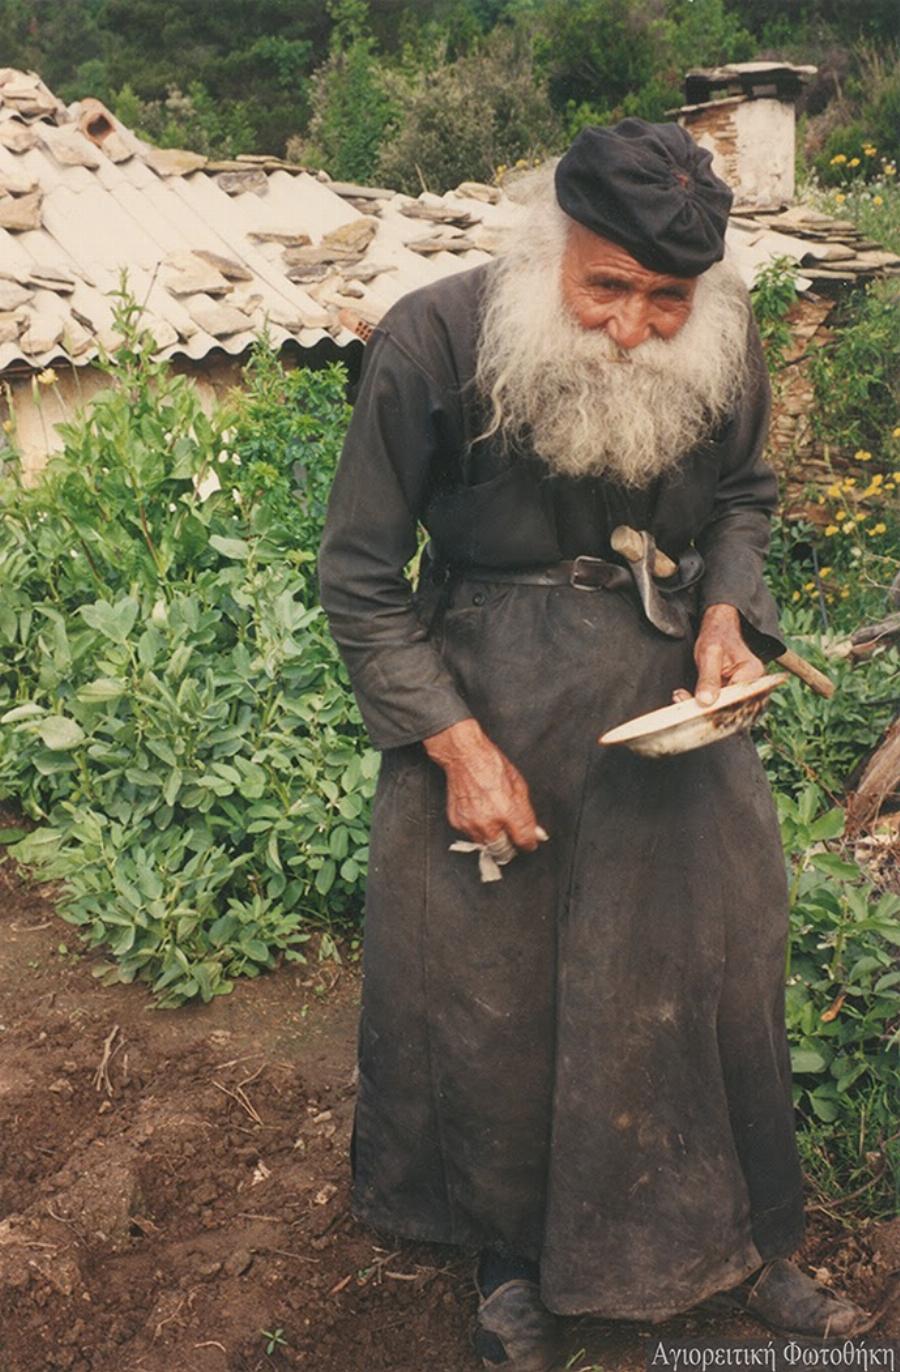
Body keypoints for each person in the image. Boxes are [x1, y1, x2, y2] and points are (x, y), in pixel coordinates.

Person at [318, 120, 870, 1370]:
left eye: (666, 299)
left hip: (669, 698)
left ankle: (746, 1239)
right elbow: (359, 580)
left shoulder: (723, 343)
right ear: (549, 249)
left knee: (717, 962)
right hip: (484, 690)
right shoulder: (435, 338)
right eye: (606, 287)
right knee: (494, 989)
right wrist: (455, 746)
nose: (632, 327)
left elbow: (742, 497)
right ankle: (511, 1259)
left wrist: (728, 614)